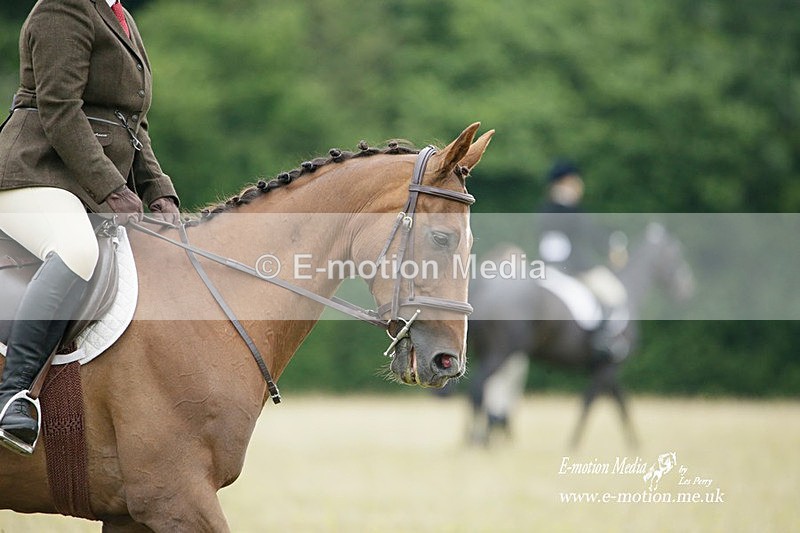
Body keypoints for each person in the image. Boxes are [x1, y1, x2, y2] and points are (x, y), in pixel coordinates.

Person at [0, 0, 180, 454]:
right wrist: (111, 188)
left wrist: (158, 189)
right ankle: (12, 395)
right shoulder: (62, 8)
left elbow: (131, 124)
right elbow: (59, 108)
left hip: (79, 182)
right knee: (77, 249)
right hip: (32, 173)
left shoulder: (118, 15)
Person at [535, 158, 628, 360]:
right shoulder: (572, 210)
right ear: (568, 181)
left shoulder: (545, 208)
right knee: (614, 294)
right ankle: (604, 340)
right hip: (575, 268)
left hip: (546, 267)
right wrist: (611, 247)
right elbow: (591, 235)